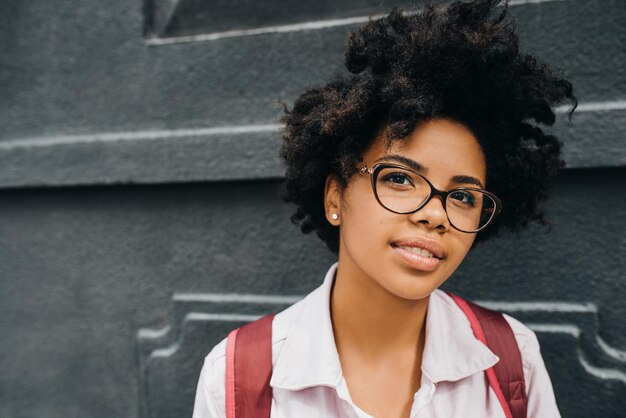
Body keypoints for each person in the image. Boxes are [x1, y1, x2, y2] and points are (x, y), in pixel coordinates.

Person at [192, 0, 576, 416]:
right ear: (335, 195)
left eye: (463, 197)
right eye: (399, 178)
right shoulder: (236, 377)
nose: (434, 214)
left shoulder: (513, 360)